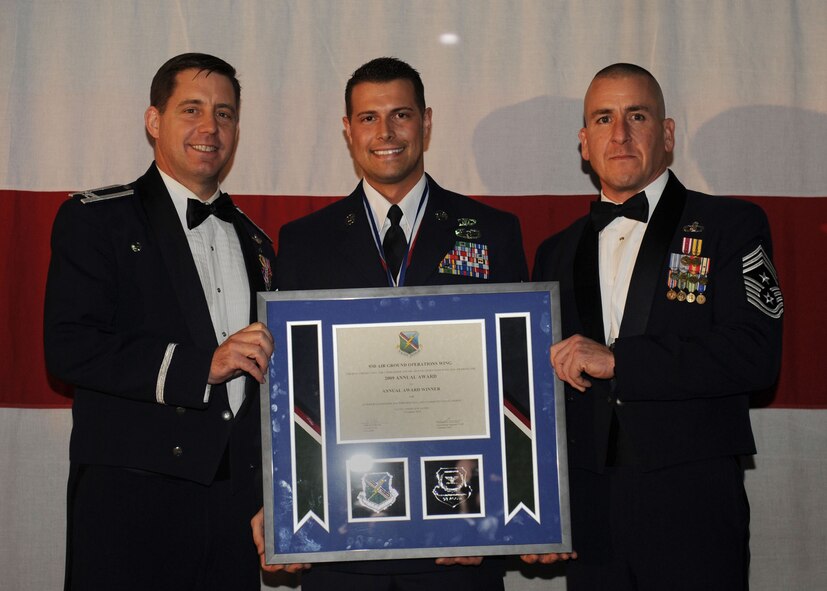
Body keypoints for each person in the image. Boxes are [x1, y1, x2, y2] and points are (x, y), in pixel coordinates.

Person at [251, 57, 528, 591]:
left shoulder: (493, 231)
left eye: (400, 114)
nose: (386, 132)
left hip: (461, 528)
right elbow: (287, 386)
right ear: (348, 130)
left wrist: (497, 509)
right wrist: (283, 500)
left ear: (426, 121)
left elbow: (516, 378)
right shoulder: (305, 241)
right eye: (368, 118)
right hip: (341, 536)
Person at [528, 63, 783, 590]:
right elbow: (538, 393)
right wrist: (538, 506)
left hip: (693, 506)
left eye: (637, 116)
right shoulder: (555, 251)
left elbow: (755, 354)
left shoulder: (732, 226)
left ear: (666, 134)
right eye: (603, 118)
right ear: (584, 142)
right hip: (590, 517)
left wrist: (621, 360)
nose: (619, 134)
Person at [44, 53, 275, 591]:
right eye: (191, 109)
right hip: (132, 510)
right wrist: (200, 366)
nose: (209, 127)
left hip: (234, 513)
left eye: (224, 113)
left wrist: (279, 494)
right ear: (154, 120)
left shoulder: (258, 242)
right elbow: (69, 347)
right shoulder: (97, 219)